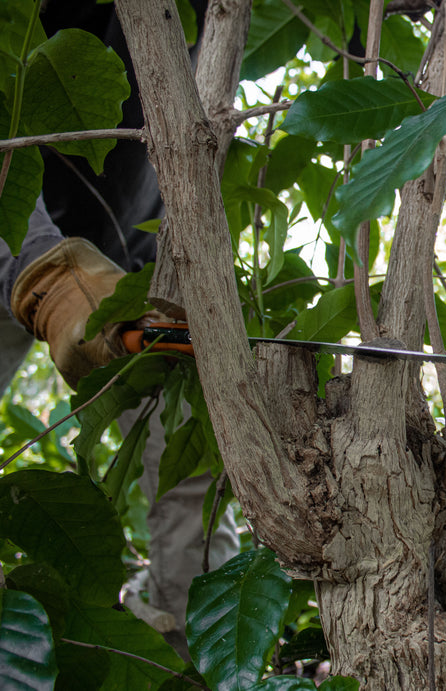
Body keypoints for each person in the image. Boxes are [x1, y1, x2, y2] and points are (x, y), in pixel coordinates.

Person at [0, 0, 237, 660]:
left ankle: (194, 662)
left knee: (189, 461)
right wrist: (46, 279)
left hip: (138, 257)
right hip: (13, 225)